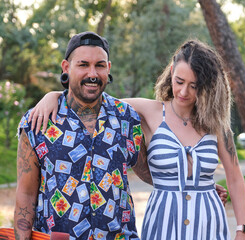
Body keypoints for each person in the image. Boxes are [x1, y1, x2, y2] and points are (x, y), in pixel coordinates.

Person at [28, 37, 240, 239]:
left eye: (193, 85)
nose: (184, 91)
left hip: (208, 223)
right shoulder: (150, 111)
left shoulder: (216, 125)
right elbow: (95, 99)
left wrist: (240, 227)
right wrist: (55, 95)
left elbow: (235, 177)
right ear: (172, 73)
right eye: (179, 81)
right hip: (162, 224)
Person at [14, 31, 147, 240]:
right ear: (66, 67)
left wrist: (198, 184)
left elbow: (146, 170)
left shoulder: (127, 118)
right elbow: (25, 194)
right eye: (83, 65)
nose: (92, 74)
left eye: (100, 65)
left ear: (109, 68)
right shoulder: (36, 123)